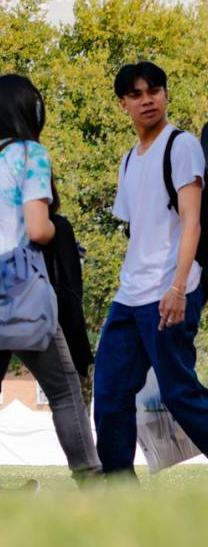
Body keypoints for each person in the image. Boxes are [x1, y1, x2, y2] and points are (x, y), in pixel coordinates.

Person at [0, 74, 101, 482]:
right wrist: (56, 231)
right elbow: (36, 228)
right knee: (65, 391)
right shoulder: (31, 154)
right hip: (23, 294)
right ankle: (90, 479)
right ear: (26, 111)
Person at [93, 62, 208, 475]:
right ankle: (118, 493)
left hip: (170, 290)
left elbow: (191, 221)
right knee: (108, 396)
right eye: (137, 95)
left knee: (179, 394)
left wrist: (178, 288)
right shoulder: (128, 160)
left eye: (155, 91)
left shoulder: (182, 146)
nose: (148, 100)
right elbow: (138, 229)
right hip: (129, 296)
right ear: (123, 104)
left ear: (165, 94)